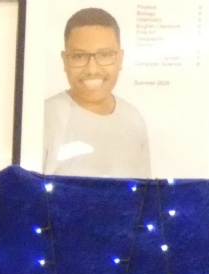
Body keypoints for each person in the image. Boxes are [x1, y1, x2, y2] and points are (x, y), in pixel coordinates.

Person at [41, 7, 152, 178]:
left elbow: (145, 191)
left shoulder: (133, 119)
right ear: (65, 61)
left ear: (120, 59)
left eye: (105, 55)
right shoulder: (46, 117)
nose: (92, 69)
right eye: (79, 56)